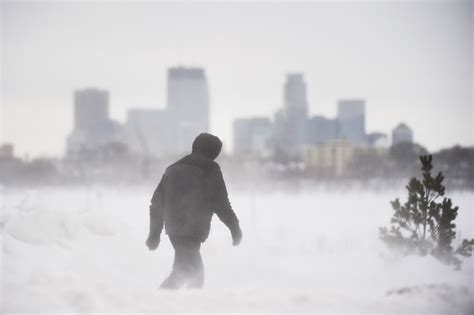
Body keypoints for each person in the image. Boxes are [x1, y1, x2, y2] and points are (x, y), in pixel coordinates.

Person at [146, 133, 242, 289]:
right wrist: (235, 227)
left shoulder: (172, 168)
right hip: (193, 230)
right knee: (194, 275)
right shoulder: (210, 168)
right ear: (213, 151)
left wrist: (154, 234)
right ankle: (170, 304)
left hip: (174, 230)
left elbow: (156, 204)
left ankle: (167, 303)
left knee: (184, 271)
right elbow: (221, 203)